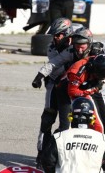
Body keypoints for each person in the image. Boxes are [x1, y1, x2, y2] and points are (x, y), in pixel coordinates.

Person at [31, 17, 74, 169]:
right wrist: (40, 76)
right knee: (47, 120)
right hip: (54, 84)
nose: (55, 38)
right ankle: (41, 153)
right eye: (54, 35)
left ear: (67, 34)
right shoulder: (51, 47)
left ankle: (60, 154)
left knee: (67, 124)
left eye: (59, 35)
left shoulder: (75, 46)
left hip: (70, 90)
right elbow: (54, 64)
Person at [41, 97, 105, 173]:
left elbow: (47, 162)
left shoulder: (59, 137)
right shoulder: (103, 139)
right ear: (92, 119)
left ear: (71, 117)